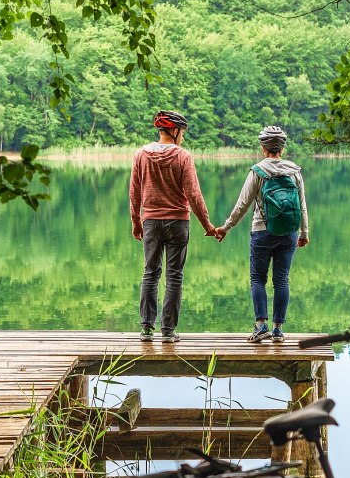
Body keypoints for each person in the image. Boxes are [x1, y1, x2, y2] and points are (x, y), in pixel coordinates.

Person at [129, 110, 218, 343]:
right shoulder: (183, 157)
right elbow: (193, 194)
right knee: (174, 276)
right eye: (183, 133)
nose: (183, 138)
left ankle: (146, 329)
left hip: (150, 221)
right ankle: (168, 331)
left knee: (150, 273)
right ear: (175, 131)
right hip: (178, 222)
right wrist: (207, 224)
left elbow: (134, 191)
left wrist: (135, 221)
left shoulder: (141, 154)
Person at [214, 125, 310, 343]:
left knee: (258, 278)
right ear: (282, 149)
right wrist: (304, 232)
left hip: (262, 232)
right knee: (282, 280)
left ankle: (261, 326)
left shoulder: (258, 171)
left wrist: (226, 227)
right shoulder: (295, 171)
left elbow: (242, 204)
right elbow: (302, 205)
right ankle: (277, 331)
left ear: (263, 148)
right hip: (289, 233)